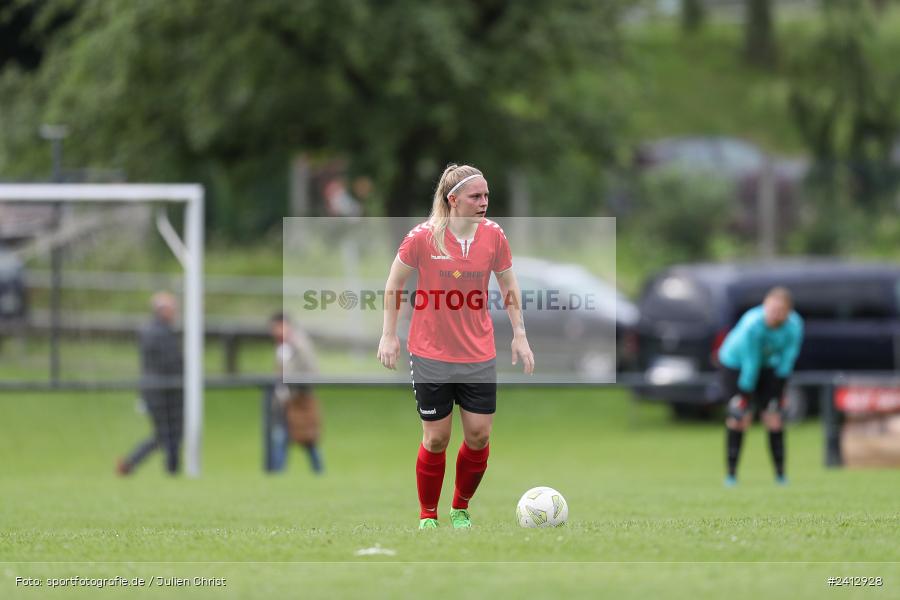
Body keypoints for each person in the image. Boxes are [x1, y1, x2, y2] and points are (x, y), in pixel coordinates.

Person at [377, 163, 534, 529]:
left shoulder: (494, 236)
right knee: (436, 439)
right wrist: (388, 334)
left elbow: (510, 288)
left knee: (478, 435)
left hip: (478, 353)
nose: (484, 203)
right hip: (430, 352)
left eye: (486, 196)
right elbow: (393, 285)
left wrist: (520, 334)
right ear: (453, 200)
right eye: (476, 196)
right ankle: (427, 515)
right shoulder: (422, 237)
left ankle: (460, 507)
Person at [718, 286, 804, 486]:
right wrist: (744, 396)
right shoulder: (752, 324)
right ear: (764, 306)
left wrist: (780, 391)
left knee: (774, 418)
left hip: (767, 366)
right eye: (771, 309)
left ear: (788, 312)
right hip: (735, 365)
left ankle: (780, 475)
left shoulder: (794, 326)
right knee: (739, 418)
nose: (774, 315)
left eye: (780, 311)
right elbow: (751, 362)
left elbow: (787, 360)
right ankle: (731, 475)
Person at [118, 291, 183, 475]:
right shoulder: (156, 332)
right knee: (167, 434)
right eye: (171, 308)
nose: (174, 312)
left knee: (168, 435)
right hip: (161, 391)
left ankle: (132, 463)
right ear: (161, 310)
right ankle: (169, 471)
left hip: (164, 390)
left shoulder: (160, 331)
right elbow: (169, 363)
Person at [270, 312, 324, 474]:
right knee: (282, 437)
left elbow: (311, 369)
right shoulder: (281, 347)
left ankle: (318, 472)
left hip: (300, 398)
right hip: (285, 401)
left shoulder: (299, 344)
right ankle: (279, 474)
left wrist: (295, 388)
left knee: (307, 438)